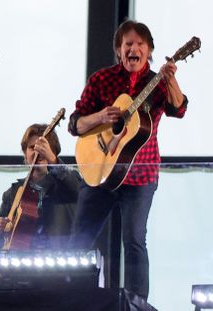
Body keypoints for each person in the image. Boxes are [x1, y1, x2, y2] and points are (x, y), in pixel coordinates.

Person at [68, 20, 188, 300]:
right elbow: (75, 124)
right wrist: (100, 117)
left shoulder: (157, 83)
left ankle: (137, 304)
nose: (133, 49)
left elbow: (179, 109)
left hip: (140, 177)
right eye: (127, 44)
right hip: (99, 171)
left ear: (149, 51)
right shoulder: (101, 80)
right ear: (118, 51)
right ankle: (73, 297)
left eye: (140, 44)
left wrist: (171, 79)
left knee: (134, 241)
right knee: (79, 241)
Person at [0, 124, 81, 250]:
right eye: (32, 147)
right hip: (22, 265)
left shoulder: (67, 181)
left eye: (43, 147)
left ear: (53, 151)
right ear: (25, 154)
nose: (37, 151)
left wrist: (53, 160)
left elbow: (77, 188)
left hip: (60, 264)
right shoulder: (14, 192)